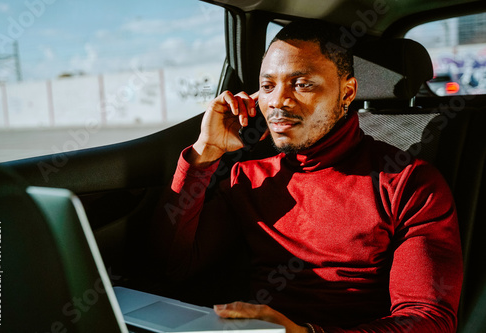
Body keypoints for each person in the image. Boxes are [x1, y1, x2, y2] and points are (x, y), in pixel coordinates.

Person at [154, 20, 463, 332]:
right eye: (267, 86)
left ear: (347, 92)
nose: (277, 101)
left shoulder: (408, 183)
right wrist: (203, 154)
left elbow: (429, 321)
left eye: (302, 84)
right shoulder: (249, 178)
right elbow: (172, 268)